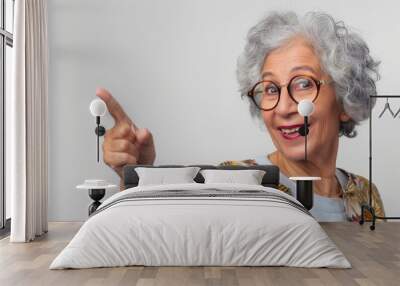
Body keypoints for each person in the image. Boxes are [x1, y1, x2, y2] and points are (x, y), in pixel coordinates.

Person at [96, 11, 385, 222]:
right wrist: (136, 177)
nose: (283, 108)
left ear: (346, 99)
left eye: (303, 84)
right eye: (270, 88)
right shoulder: (234, 181)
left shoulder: (365, 193)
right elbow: (164, 232)